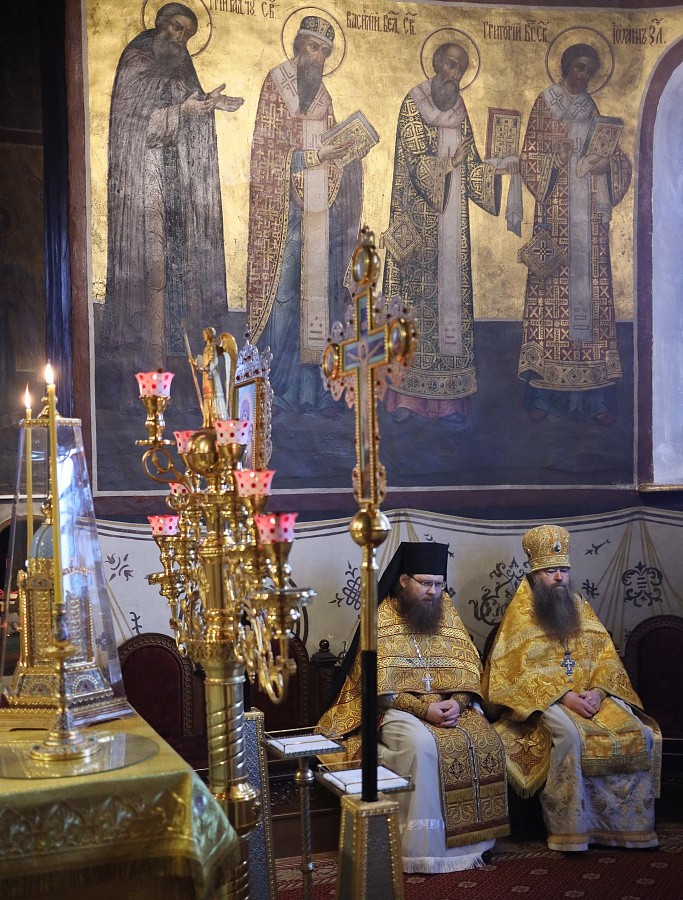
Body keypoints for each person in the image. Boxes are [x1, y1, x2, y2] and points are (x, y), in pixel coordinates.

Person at [318, 542, 509, 873]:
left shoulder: (446, 613)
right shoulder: (381, 617)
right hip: (396, 710)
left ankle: (474, 845)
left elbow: (468, 670)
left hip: (447, 706)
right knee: (423, 745)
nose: (433, 592)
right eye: (425, 583)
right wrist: (424, 711)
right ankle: (420, 850)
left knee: (486, 739)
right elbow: (378, 687)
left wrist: (457, 702)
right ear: (404, 580)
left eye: (439, 584)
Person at [97, 3, 243, 405]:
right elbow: (134, 122)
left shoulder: (180, 66)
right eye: (177, 28)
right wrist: (183, 110)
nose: (180, 38)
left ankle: (178, 380)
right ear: (160, 25)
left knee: (180, 274)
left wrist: (207, 105)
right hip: (145, 184)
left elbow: (187, 111)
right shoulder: (137, 59)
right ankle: (146, 375)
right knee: (152, 270)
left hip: (178, 186)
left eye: (187, 34)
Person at [482, 525, 661, 853]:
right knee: (571, 737)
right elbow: (512, 673)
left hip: (592, 697)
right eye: (550, 571)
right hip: (550, 702)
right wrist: (564, 697)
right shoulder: (520, 616)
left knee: (640, 733)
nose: (559, 578)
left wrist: (599, 693)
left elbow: (606, 658)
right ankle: (573, 829)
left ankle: (630, 827)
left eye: (563, 570)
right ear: (536, 575)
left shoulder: (580, 606)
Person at [381, 42, 518, 427]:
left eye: (460, 68)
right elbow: (414, 161)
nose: (454, 74)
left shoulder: (460, 110)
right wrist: (448, 163)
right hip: (418, 224)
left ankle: (451, 400)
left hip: (453, 227)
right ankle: (406, 396)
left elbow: (470, 164)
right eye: (450, 64)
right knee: (414, 307)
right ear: (437, 63)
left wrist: (495, 169)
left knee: (451, 307)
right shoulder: (414, 103)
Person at [246, 16, 365, 415]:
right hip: (282, 220)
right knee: (283, 299)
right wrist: (316, 156)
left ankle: (309, 391)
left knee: (315, 298)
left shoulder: (323, 98)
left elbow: (333, 155)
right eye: (314, 48)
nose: (319, 58)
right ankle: (273, 387)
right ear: (298, 47)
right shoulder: (276, 85)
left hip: (317, 219)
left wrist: (349, 157)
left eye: (325, 52)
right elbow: (267, 154)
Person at [518, 43, 631, 425]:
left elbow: (614, 155)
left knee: (590, 305)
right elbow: (529, 156)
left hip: (590, 224)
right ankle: (543, 395)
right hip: (557, 218)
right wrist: (555, 158)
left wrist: (606, 165)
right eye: (579, 67)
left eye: (589, 70)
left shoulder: (591, 108)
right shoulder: (545, 103)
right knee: (552, 301)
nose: (583, 76)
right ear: (566, 67)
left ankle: (594, 399)